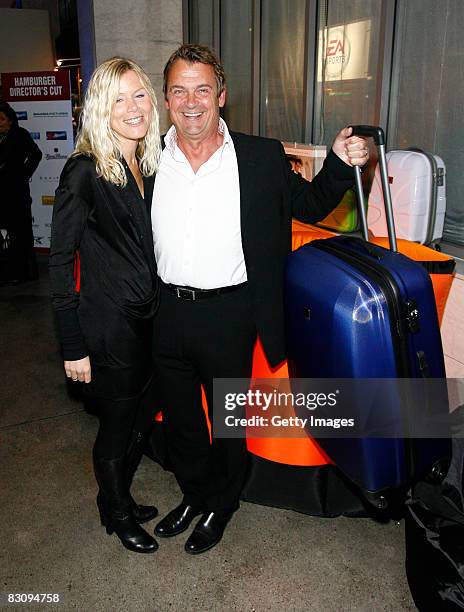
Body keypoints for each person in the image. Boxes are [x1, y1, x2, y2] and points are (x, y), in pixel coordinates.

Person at [151, 44, 370, 555]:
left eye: (202, 89)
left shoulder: (259, 156)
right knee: (182, 421)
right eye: (179, 90)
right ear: (165, 99)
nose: (191, 102)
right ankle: (194, 493)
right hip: (164, 311)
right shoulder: (148, 159)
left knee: (228, 422)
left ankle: (220, 506)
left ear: (221, 96)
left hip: (231, 313)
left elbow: (314, 205)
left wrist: (339, 163)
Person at [49, 58, 162, 554]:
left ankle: (117, 496)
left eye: (139, 94)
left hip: (150, 321)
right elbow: (58, 261)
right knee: (117, 426)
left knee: (143, 416)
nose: (132, 108)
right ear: (100, 108)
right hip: (108, 326)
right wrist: (72, 344)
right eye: (118, 98)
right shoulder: (84, 171)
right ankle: (115, 511)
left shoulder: (149, 163)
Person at [0, 102, 42, 284]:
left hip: (16, 193)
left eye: (1, 119)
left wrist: (23, 174)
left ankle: (22, 273)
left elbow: (36, 155)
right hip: (0, 193)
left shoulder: (20, 135)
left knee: (20, 234)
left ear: (10, 120)